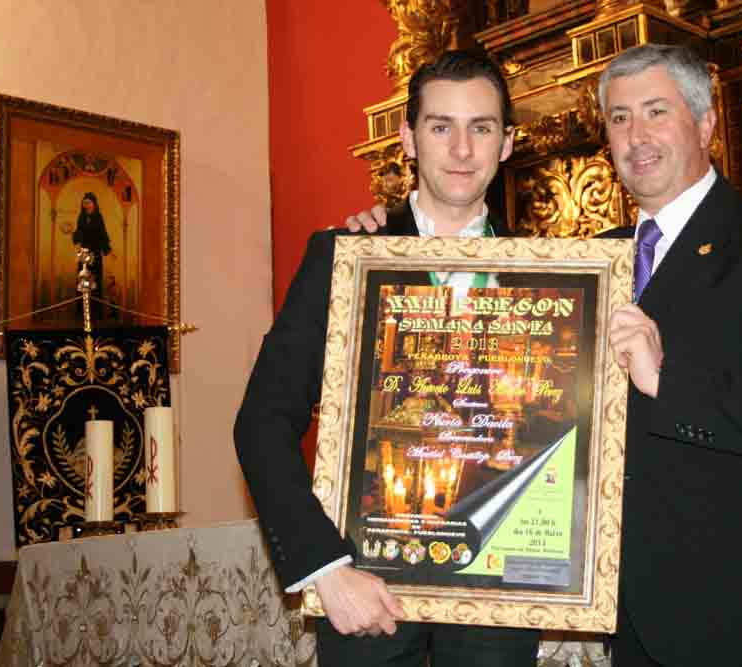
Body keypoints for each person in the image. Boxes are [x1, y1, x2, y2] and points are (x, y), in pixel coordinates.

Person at [349, 44, 742, 667]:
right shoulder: (588, 263)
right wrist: (383, 244)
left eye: (656, 111)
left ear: (705, 124)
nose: (636, 135)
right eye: (619, 118)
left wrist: (667, 379)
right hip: (642, 619)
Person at [234, 50, 540, 667]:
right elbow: (262, 421)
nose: (462, 149)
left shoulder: (552, 275)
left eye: (481, 128)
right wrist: (325, 569)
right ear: (407, 138)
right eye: (440, 126)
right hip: (365, 580)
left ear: (507, 143)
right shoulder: (346, 258)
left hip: (500, 584)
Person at [73, 192, 112, 318]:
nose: (87, 205)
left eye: (89, 203)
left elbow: (103, 234)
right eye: (85, 203)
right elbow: (78, 232)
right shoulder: (81, 217)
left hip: (95, 254)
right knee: (83, 280)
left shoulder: (98, 217)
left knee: (95, 281)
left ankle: (96, 312)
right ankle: (82, 312)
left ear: (94, 204)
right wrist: (76, 238)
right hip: (84, 254)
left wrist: (107, 249)